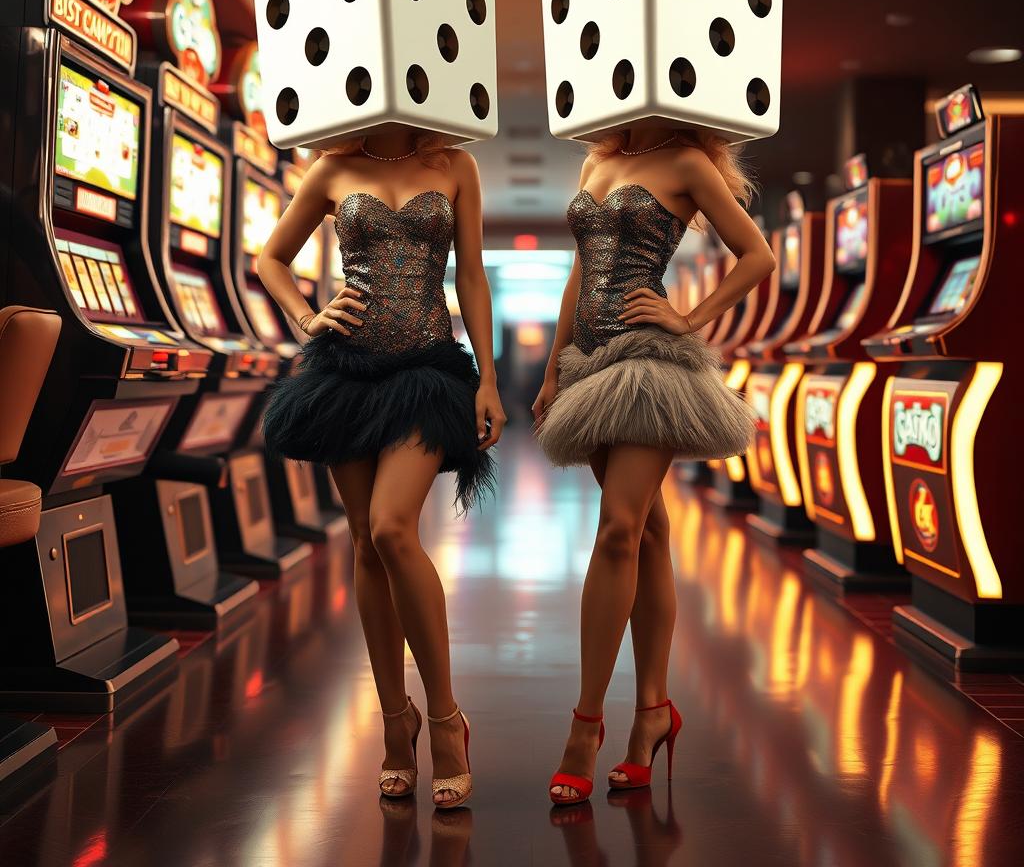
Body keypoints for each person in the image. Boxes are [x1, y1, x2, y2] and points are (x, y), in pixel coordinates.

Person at [257, 129, 506, 810]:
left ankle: (447, 719)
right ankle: (397, 724)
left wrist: (487, 377)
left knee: (396, 530)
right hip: (346, 371)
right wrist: (307, 317)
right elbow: (270, 259)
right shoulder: (332, 166)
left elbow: (472, 275)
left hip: (428, 371)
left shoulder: (456, 163)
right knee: (365, 541)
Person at [533, 126, 773, 804]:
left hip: (649, 362)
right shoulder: (596, 159)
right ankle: (654, 715)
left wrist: (690, 317)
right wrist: (554, 368)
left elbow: (758, 256)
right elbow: (579, 271)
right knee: (649, 534)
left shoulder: (689, 161)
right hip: (589, 364)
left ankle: (585, 727)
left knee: (617, 530)